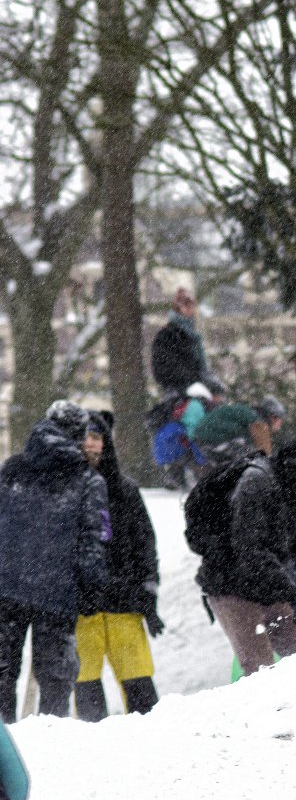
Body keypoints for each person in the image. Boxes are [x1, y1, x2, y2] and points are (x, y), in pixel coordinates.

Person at [194, 430, 296, 676]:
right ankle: (269, 712)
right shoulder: (256, 483)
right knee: (260, 669)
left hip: (264, 584)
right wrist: (291, 593)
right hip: (230, 587)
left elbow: (288, 536)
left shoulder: (284, 484)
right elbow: (250, 550)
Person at [0, 402, 110, 722]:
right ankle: (50, 739)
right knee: (55, 678)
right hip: (57, 591)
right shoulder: (88, 480)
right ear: (77, 434)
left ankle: (4, 749)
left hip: (7, 586)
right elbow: (94, 539)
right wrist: (92, 588)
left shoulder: (12, 469)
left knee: (2, 670)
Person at [74, 412, 162, 721]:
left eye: (96, 437)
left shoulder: (125, 490)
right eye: (83, 437)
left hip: (124, 603)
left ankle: (150, 745)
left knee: (139, 687)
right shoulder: (64, 491)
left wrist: (149, 588)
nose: (90, 445)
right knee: (85, 688)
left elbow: (144, 543)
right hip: (80, 609)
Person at [190, 395, 287, 469]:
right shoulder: (259, 422)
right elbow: (265, 453)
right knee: (249, 455)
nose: (280, 425)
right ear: (272, 416)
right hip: (211, 439)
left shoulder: (251, 414)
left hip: (201, 438)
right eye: (280, 420)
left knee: (247, 452)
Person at [150, 287, 209, 396]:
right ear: (178, 307)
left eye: (191, 305)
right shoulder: (167, 334)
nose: (190, 309)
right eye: (185, 304)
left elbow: (201, 366)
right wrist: (190, 379)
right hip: (177, 391)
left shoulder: (195, 335)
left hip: (198, 387)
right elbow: (162, 367)